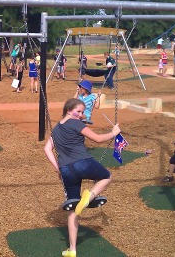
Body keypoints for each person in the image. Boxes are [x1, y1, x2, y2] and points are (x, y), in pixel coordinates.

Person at [44, 98, 121, 257]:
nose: (81, 115)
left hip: (65, 170)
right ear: (68, 110)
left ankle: (72, 250)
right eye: (78, 111)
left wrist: (58, 168)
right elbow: (98, 139)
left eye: (82, 112)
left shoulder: (56, 129)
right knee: (106, 177)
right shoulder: (76, 123)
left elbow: (47, 149)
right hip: (82, 162)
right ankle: (89, 196)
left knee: (72, 208)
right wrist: (113, 133)